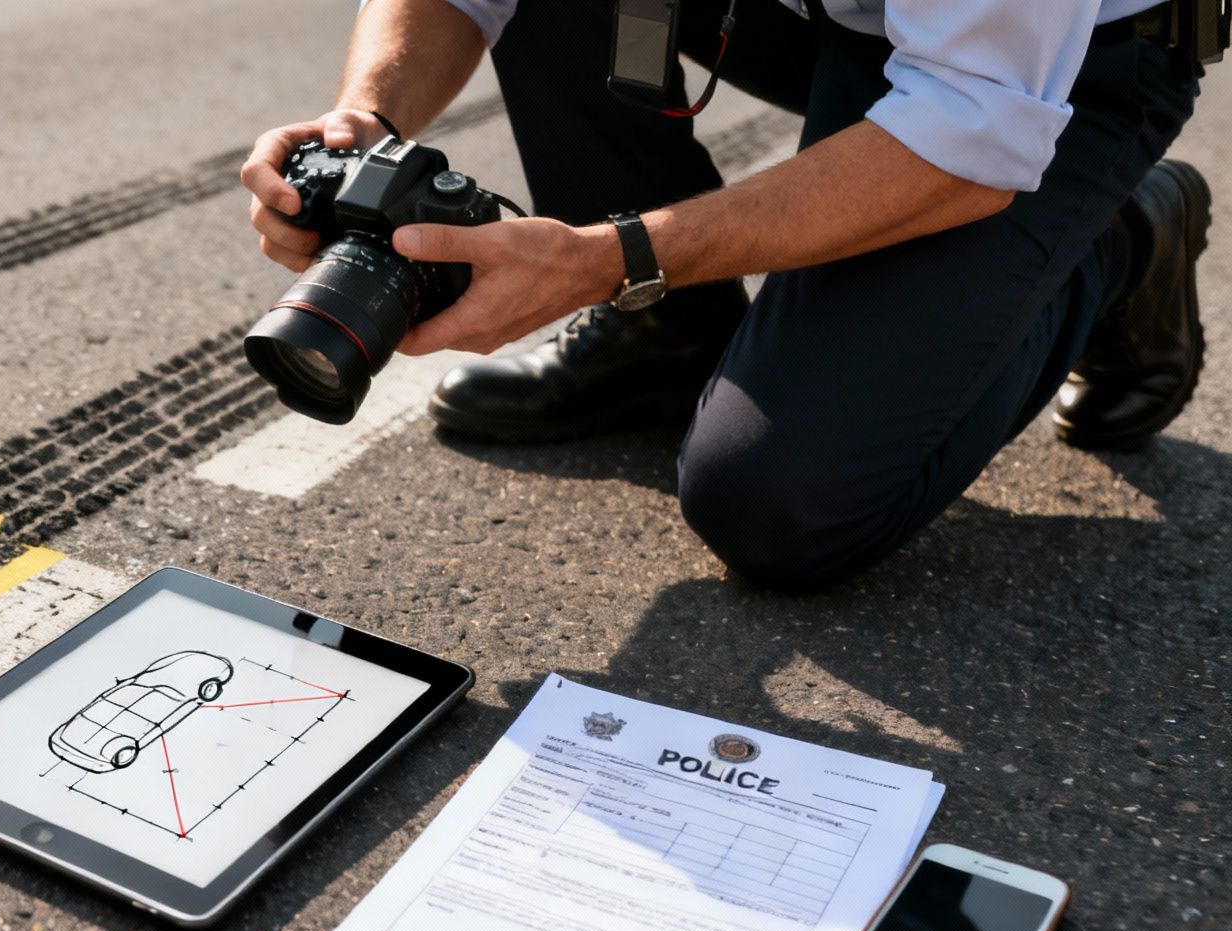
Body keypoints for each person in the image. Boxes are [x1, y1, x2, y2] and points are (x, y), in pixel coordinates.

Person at [240, 0, 1209, 589]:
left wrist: (605, 256)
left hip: (1061, 67)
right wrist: (362, 123)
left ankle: (1114, 238)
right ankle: (663, 341)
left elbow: (967, 129)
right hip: (834, 21)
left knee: (781, 509)